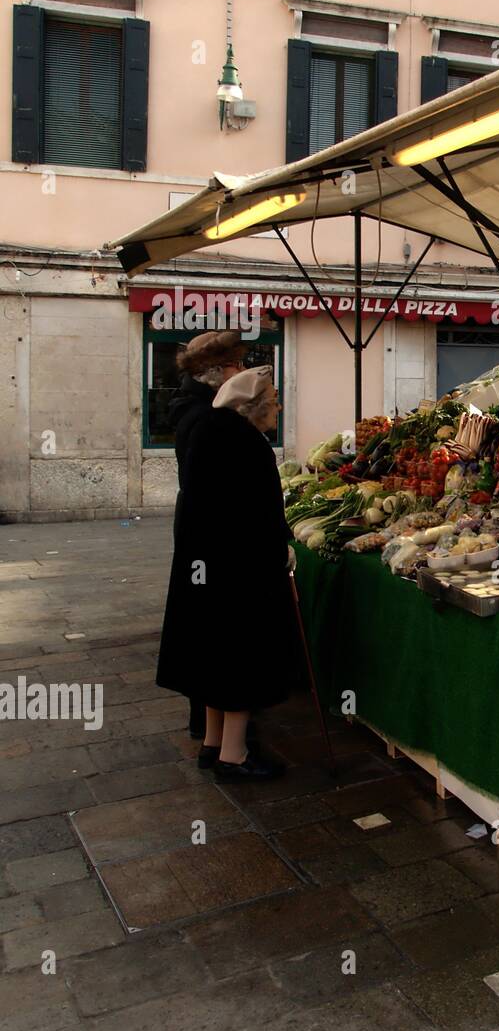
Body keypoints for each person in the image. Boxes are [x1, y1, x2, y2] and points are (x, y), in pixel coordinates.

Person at [157, 367, 292, 781]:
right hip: (238, 570)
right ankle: (234, 756)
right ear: (252, 407)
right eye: (272, 399)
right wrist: (281, 550)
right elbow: (258, 514)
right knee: (240, 657)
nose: (278, 406)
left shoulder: (206, 432)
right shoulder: (245, 443)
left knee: (212, 655)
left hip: (204, 566)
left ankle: (213, 743)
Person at [169, 332, 247, 740]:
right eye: (235, 365)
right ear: (215, 373)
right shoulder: (211, 419)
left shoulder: (192, 409)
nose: (241, 371)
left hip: (199, 535)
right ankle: (225, 741)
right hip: (217, 542)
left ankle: (211, 731)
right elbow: (222, 490)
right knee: (221, 637)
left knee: (205, 633)